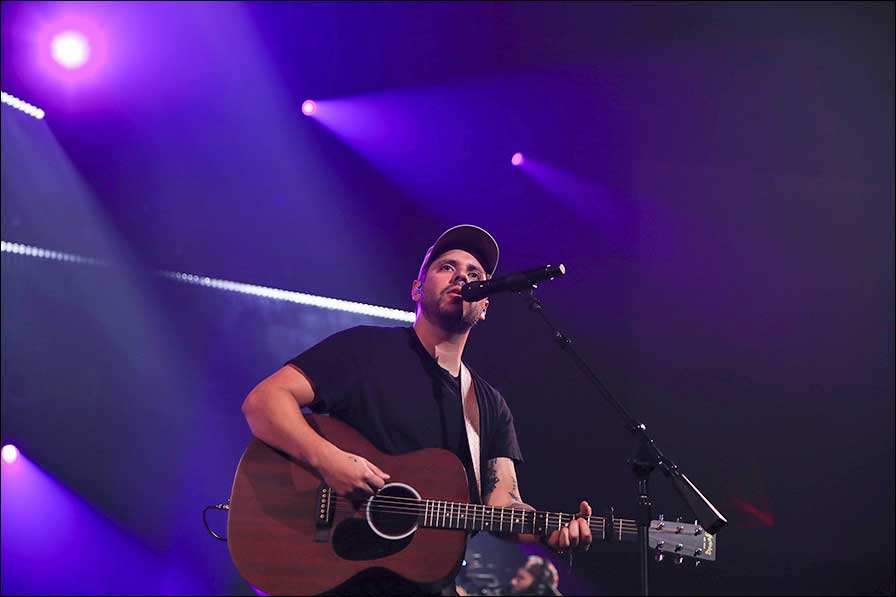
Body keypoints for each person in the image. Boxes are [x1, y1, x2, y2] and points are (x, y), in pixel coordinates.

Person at [241, 224, 592, 595]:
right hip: (336, 580)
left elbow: (501, 501)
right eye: (447, 267)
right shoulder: (364, 351)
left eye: (475, 274)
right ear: (417, 287)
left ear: (485, 306)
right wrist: (329, 461)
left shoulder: (488, 405)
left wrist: (547, 528)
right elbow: (264, 402)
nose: (462, 276)